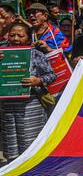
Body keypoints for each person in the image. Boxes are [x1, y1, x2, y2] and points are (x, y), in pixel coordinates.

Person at [0, 22, 56, 163]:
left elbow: (51, 75)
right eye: (12, 35)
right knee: (10, 138)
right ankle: (12, 169)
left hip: (31, 105)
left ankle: (31, 169)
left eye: (21, 35)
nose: (16, 38)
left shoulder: (36, 55)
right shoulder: (2, 53)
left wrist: (38, 80)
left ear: (29, 39)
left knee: (30, 139)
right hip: (7, 106)